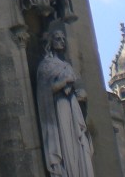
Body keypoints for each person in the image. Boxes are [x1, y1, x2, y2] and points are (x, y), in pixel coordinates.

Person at [36, 27, 95, 177]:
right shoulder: (46, 66)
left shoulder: (68, 66)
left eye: (63, 39)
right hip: (59, 106)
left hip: (73, 106)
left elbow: (76, 88)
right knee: (66, 142)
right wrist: (64, 82)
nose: (62, 42)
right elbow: (44, 92)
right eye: (58, 38)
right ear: (50, 42)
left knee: (78, 142)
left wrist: (81, 96)